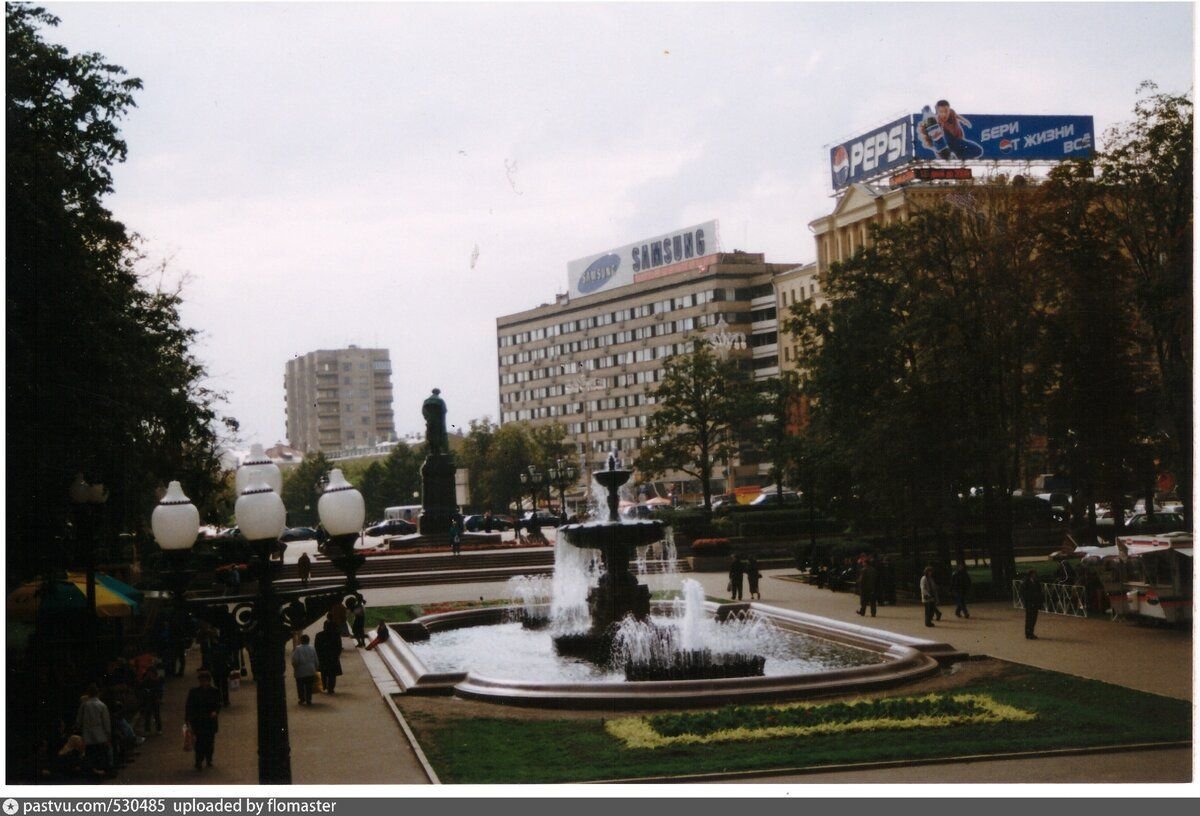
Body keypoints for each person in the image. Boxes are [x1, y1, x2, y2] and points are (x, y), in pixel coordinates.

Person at [184, 670, 221, 770]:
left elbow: (218, 705)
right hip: (198, 720)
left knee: (209, 742)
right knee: (199, 742)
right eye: (202, 681)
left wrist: (215, 712)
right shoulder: (194, 692)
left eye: (205, 681)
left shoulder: (214, 691)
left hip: (209, 721)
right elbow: (189, 706)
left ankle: (208, 759)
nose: (204, 683)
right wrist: (187, 718)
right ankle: (199, 761)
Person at [74, 684, 112, 777]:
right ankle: (103, 772)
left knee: (91, 755)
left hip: (87, 736)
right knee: (101, 755)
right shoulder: (102, 705)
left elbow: (78, 720)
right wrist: (108, 734)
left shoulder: (84, 705)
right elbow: (106, 722)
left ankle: (92, 773)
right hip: (100, 735)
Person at [314, 619, 344, 694]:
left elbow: (316, 647)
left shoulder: (319, 635)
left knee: (323, 672)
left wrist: (319, 655)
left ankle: (324, 686)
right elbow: (339, 647)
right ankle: (331, 688)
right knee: (332, 674)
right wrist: (337, 656)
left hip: (323, 657)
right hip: (333, 657)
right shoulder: (336, 635)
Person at [291, 634, 319, 705]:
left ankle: (302, 698)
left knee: (300, 686)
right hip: (311, 670)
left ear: (301, 641)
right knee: (309, 686)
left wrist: (295, 667)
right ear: (308, 641)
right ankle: (309, 699)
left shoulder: (298, 649)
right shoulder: (312, 648)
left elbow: (295, 660)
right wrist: (315, 668)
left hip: (300, 671)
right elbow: (316, 660)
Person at [137, 666, 164, 736]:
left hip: (155, 699)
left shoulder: (158, 680)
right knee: (148, 715)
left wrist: (159, 697)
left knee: (156, 715)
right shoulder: (146, 680)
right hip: (148, 699)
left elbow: (160, 690)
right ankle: (147, 729)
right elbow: (141, 687)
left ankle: (158, 729)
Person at [1019, 569, 1045, 640]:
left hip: (1035, 602)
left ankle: (1031, 632)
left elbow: (1040, 591)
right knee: (1029, 619)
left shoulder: (1036, 582)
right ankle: (1028, 633)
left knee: (1033, 619)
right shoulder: (1026, 582)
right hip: (1029, 603)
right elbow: (1023, 593)